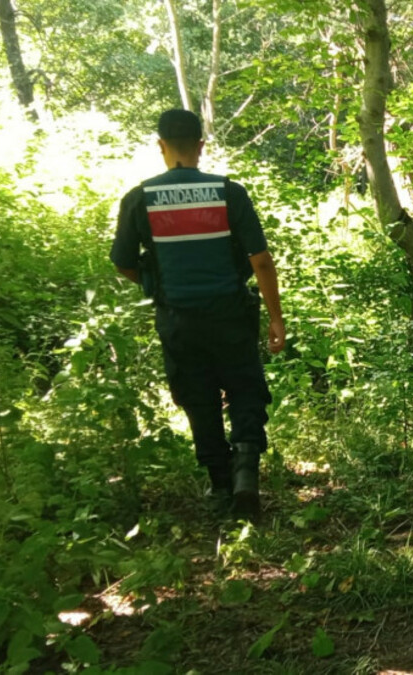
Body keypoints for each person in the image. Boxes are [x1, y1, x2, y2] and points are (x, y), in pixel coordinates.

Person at [110, 109, 285, 521]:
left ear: (161, 145)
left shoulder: (140, 198)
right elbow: (260, 260)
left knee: (197, 397)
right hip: (231, 315)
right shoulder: (229, 193)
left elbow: (122, 263)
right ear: (201, 145)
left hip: (178, 319)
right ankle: (246, 475)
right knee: (244, 389)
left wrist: (156, 286)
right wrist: (276, 318)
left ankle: (220, 484)